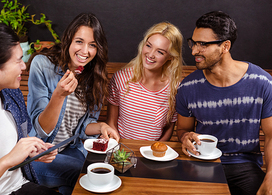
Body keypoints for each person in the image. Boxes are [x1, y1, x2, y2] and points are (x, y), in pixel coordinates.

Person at [175, 11, 272, 195]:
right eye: (193, 42)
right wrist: (185, 137)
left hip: (245, 166)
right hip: (202, 162)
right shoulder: (188, 87)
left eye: (203, 44)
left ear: (225, 46)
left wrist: (271, 174)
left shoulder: (262, 82)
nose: (194, 50)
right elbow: (182, 131)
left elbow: (271, 135)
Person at [27, 13, 120, 195]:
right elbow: (40, 129)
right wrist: (59, 96)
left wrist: (102, 126)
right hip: (41, 154)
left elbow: (83, 127)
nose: (85, 51)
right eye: (79, 41)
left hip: (73, 149)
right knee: (87, 173)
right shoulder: (42, 65)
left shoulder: (95, 77)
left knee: (92, 172)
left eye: (92, 45)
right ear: (68, 40)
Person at [0, 22, 60, 195]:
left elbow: (21, 139)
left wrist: (34, 151)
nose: (23, 66)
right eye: (18, 60)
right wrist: (8, 160)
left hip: (20, 186)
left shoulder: (12, 95)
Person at [106, 22, 183, 141]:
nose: (150, 54)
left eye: (160, 52)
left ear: (171, 57)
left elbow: (169, 127)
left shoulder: (175, 88)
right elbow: (111, 122)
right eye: (148, 45)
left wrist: (155, 151)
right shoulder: (121, 78)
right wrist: (121, 151)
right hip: (121, 150)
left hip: (152, 154)